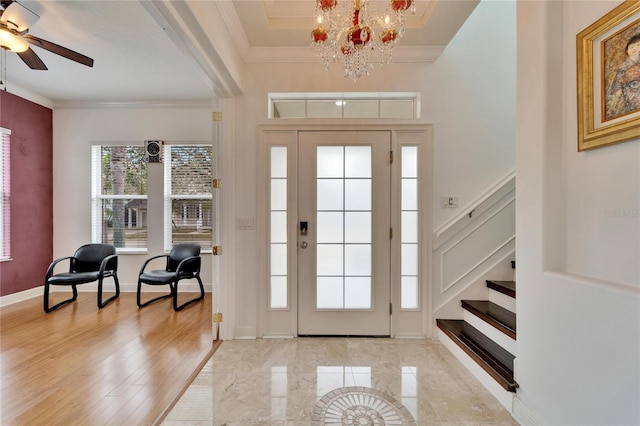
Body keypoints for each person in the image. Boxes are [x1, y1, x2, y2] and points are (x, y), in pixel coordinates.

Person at [606, 33, 640, 121]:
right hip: (627, 92)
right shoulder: (622, 67)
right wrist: (618, 90)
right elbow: (618, 80)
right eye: (631, 47)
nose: (634, 48)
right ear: (627, 50)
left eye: (638, 45)